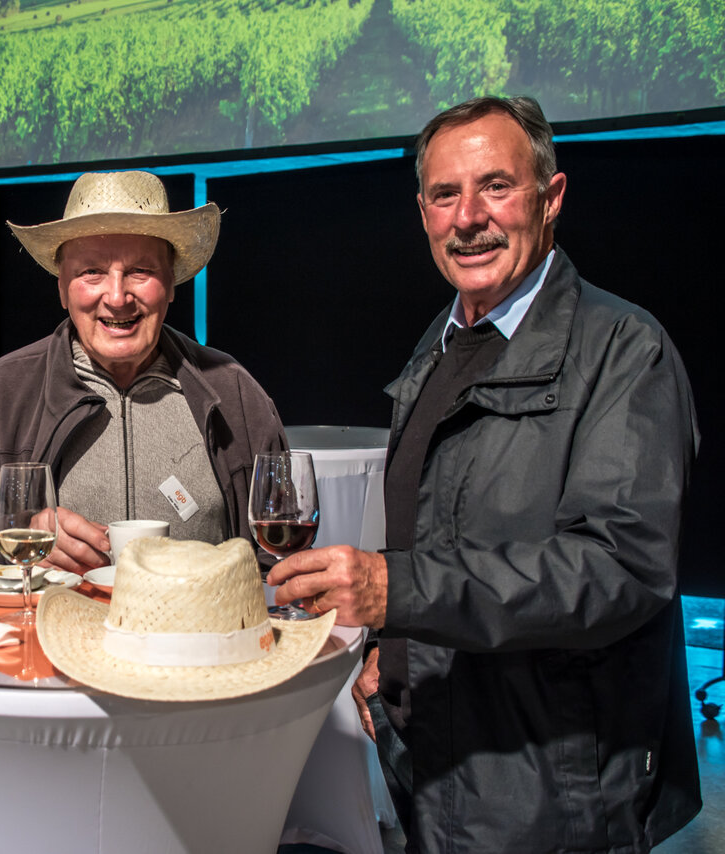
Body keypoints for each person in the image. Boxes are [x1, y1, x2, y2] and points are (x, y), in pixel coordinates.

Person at [270, 96, 701, 852]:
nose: (469, 217)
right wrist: (389, 656)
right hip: (431, 766)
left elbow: (621, 568)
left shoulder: (625, 350)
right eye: (445, 194)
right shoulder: (438, 346)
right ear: (423, 214)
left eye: (496, 186)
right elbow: (439, 535)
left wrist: (396, 591)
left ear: (551, 197)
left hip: (550, 792)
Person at [0, 170, 287, 576]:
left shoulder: (234, 393)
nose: (117, 297)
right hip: (45, 620)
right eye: (91, 272)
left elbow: (277, 560)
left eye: (140, 271)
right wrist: (20, 540)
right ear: (62, 287)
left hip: (202, 619)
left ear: (171, 283)